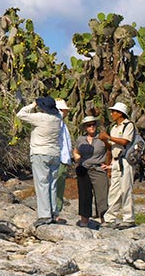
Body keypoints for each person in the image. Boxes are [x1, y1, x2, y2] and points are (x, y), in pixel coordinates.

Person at [17, 97, 64, 227]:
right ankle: (54, 212)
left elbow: (20, 114)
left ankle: (44, 215)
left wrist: (32, 105)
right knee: (52, 184)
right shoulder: (58, 117)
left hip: (40, 153)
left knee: (42, 184)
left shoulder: (40, 118)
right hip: (55, 153)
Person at [99, 102, 136, 229]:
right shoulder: (114, 128)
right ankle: (110, 218)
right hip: (115, 161)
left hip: (125, 160)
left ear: (120, 113)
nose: (112, 114)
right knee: (114, 190)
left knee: (126, 189)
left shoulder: (129, 125)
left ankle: (128, 218)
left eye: (114, 111)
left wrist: (108, 137)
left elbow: (125, 141)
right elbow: (111, 146)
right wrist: (105, 140)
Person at [73, 116, 110, 228]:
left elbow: (110, 150)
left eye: (93, 124)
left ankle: (104, 220)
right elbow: (76, 151)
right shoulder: (80, 139)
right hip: (84, 169)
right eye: (89, 125)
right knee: (84, 195)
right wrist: (78, 160)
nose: (92, 126)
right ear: (85, 127)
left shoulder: (102, 138)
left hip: (98, 169)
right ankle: (84, 220)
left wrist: (109, 165)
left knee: (102, 196)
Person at [55, 98, 72, 214]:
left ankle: (56, 210)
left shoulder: (62, 124)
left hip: (63, 159)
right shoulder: (57, 123)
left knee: (59, 186)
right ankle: (55, 210)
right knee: (56, 185)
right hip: (59, 158)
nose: (66, 112)